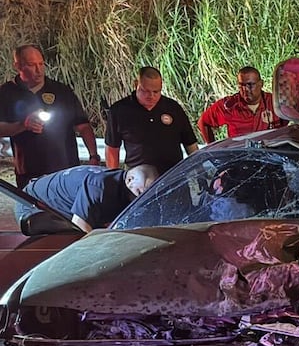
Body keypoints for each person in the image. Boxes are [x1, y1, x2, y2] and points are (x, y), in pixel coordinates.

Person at [0, 44, 100, 188]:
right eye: (31, 65)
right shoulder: (6, 93)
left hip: (65, 169)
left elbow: (83, 126)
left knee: (65, 210)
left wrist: (93, 155)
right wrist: (23, 125)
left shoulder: (61, 91)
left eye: (41, 64)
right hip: (28, 173)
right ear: (18, 66)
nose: (38, 70)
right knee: (34, 210)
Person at [104, 67, 198, 175]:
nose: (151, 96)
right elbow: (112, 148)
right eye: (146, 91)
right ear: (136, 85)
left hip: (172, 175)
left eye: (156, 92)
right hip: (138, 177)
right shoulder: (119, 110)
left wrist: (199, 171)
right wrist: (112, 178)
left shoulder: (173, 108)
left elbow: (190, 143)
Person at [17, 163, 159, 234]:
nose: (142, 198)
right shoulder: (99, 186)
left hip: (63, 207)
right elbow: (82, 228)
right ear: (130, 179)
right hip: (31, 205)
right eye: (140, 192)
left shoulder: (125, 188)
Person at [198, 66, 286, 143]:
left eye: (250, 85)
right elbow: (203, 122)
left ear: (261, 84)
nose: (245, 89)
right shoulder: (229, 106)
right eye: (241, 85)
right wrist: (213, 148)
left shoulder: (275, 102)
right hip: (240, 156)